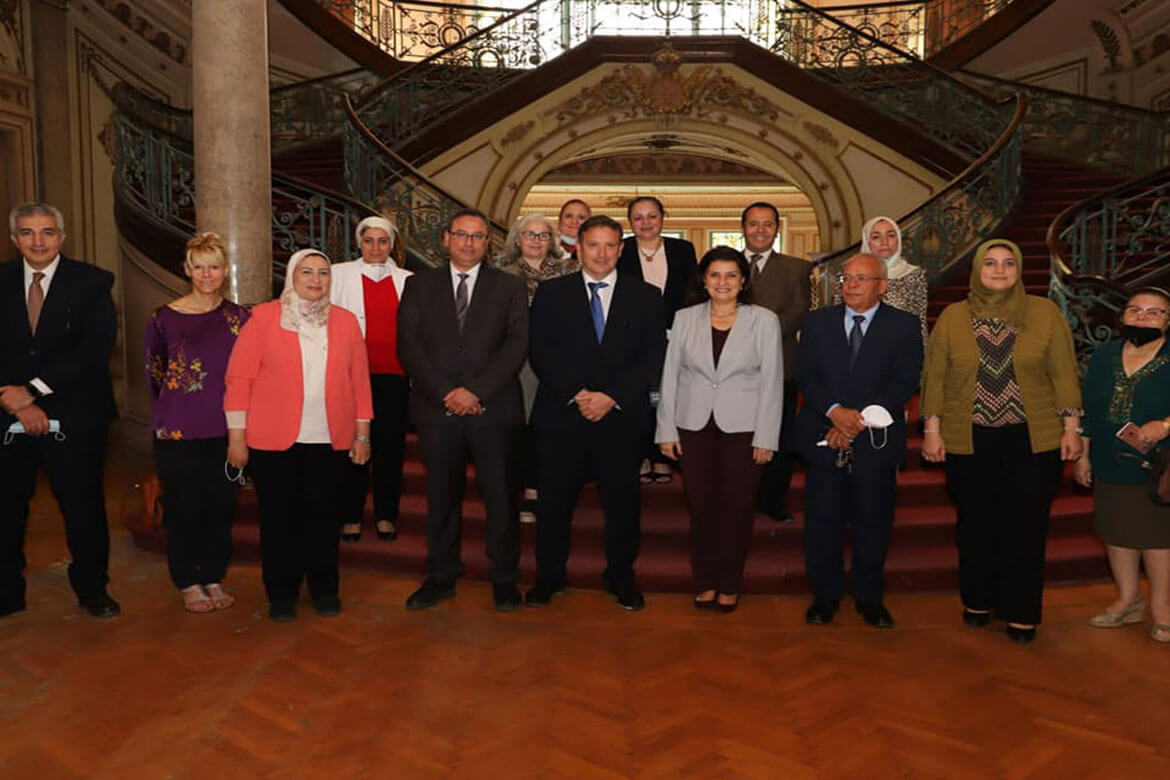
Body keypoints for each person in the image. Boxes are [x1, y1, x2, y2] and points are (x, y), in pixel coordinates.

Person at [921, 239, 1082, 644]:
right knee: (975, 525)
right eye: (990, 263)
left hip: (1033, 438)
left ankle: (1021, 612)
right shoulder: (954, 317)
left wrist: (1072, 429)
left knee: (1025, 528)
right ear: (977, 269)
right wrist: (932, 429)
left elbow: (1064, 373)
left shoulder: (1044, 313)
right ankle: (978, 600)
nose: (999, 270)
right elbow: (935, 377)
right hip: (968, 438)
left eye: (1008, 263)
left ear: (1019, 269)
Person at [526, 214, 667, 611]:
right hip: (562, 416)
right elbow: (540, 352)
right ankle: (549, 578)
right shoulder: (552, 293)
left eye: (610, 245)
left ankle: (621, 578)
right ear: (578, 249)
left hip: (621, 418)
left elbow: (652, 355)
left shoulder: (646, 296)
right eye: (593, 245)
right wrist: (579, 393)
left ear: (621, 250)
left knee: (623, 505)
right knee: (553, 505)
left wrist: (611, 396)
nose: (602, 253)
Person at [224, 249, 373, 621]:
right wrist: (236, 437)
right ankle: (281, 593)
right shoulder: (263, 317)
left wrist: (362, 434)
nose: (315, 279)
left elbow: (360, 381)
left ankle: (324, 589)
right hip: (272, 440)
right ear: (291, 276)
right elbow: (238, 379)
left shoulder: (345, 321)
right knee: (278, 520)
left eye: (323, 273)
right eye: (306, 272)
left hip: (329, 438)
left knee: (323, 518)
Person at [397, 208, 529, 612]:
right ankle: (441, 575)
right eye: (461, 234)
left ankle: (504, 579)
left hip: (494, 411)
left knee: (502, 499)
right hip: (438, 412)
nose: (469, 242)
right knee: (440, 499)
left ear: (488, 243)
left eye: (478, 236)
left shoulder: (509, 286)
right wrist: (447, 393)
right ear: (446, 239)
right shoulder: (420, 286)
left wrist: (474, 391)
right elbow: (409, 345)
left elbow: (516, 345)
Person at [0, 203, 120, 618]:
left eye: (47, 232)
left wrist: (31, 392)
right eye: (28, 233)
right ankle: (6, 593)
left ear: (62, 237)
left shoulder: (92, 282)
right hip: (5, 412)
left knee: (83, 508)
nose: (38, 241)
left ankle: (93, 590)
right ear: (15, 239)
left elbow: (94, 350)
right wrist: (11, 399)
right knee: (5, 509)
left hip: (76, 414)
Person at [795, 252, 922, 629]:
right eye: (846, 278)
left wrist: (855, 421)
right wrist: (835, 412)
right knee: (823, 520)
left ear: (882, 286)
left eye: (860, 279)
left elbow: (904, 381)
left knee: (873, 520)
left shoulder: (903, 325)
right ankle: (825, 596)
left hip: (875, 439)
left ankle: (870, 598)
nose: (850, 285)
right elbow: (806, 374)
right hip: (822, 433)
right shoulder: (818, 322)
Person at [656, 247, 783, 612]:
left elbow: (772, 382)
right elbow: (671, 377)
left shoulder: (764, 320)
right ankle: (705, 581)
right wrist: (666, 429)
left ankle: (729, 582)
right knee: (701, 507)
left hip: (744, 429)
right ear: (704, 280)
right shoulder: (684, 318)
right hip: (692, 425)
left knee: (738, 506)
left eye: (730, 275)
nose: (722, 282)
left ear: (743, 281)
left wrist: (766, 437)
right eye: (715, 275)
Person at [145, 232, 250, 612]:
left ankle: (213, 576)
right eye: (199, 267)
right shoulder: (163, 319)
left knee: (220, 509)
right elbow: (155, 375)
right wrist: (170, 417)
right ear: (187, 270)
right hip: (177, 430)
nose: (207, 274)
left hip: (226, 429)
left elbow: (250, 376)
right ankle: (188, 580)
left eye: (214, 267)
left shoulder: (240, 318)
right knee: (184, 508)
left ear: (225, 271)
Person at [1075, 287, 1170, 643]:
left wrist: (1164, 425)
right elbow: (1089, 407)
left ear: (1167, 321)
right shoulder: (1104, 355)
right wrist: (1083, 454)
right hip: (1109, 459)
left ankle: (1162, 610)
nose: (1143, 316)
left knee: (1158, 538)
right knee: (1115, 532)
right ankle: (1127, 600)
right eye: (1136, 310)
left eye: (1154, 312)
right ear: (1123, 316)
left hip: (1160, 464)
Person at [330, 215, 413, 544]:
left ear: (392, 244)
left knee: (390, 448)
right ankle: (350, 515)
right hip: (350, 375)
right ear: (359, 242)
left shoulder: (408, 279)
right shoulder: (338, 275)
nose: (375, 247)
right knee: (351, 446)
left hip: (394, 374)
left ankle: (385, 515)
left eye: (382, 241)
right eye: (369, 241)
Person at [495, 214, 579, 523]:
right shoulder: (500, 275)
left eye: (543, 235)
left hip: (563, 357)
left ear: (552, 240)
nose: (536, 240)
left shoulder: (572, 270)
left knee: (557, 427)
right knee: (526, 427)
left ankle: (556, 488)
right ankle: (530, 490)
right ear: (517, 239)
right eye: (529, 234)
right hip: (518, 362)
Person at [616, 195, 697, 484]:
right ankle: (640, 455)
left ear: (662, 218)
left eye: (651, 216)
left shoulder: (682, 249)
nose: (645, 223)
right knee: (636, 398)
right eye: (638, 218)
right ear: (630, 222)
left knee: (669, 398)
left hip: (675, 334)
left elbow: (693, 291)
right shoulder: (620, 249)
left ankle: (663, 457)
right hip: (630, 338)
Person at [740, 201, 810, 524]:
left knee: (778, 438)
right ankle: (738, 499)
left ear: (777, 229)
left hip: (780, 366)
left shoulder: (796, 268)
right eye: (754, 224)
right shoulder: (724, 265)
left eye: (767, 224)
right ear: (744, 228)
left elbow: (795, 315)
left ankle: (772, 501)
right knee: (737, 436)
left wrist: (753, 339)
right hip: (731, 370)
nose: (760, 230)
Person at [859, 215, 928, 344]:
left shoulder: (914, 275)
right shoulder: (852, 276)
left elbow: (920, 321)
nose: (884, 242)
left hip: (900, 348)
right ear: (867, 242)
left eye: (891, 235)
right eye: (876, 237)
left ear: (898, 240)